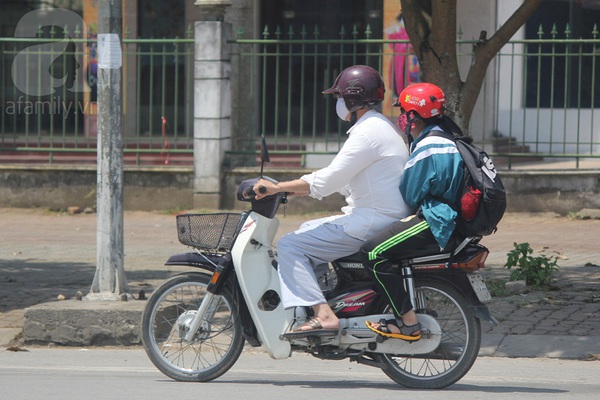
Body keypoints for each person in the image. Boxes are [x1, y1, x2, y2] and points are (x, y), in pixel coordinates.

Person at [253, 65, 411, 335]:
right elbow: (347, 179)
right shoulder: (381, 126)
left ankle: (323, 315)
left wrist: (275, 187)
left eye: (340, 97)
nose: (338, 103)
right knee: (306, 231)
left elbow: (329, 180)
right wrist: (293, 188)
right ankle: (329, 299)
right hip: (382, 216)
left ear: (352, 99)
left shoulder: (367, 133)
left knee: (290, 245)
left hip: (371, 222)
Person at [361, 82, 465, 341]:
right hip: (447, 218)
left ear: (415, 116)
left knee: (372, 252)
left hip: (437, 219)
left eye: (404, 112)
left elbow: (409, 195)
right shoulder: (445, 138)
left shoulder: (428, 147)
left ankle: (408, 324)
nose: (401, 118)